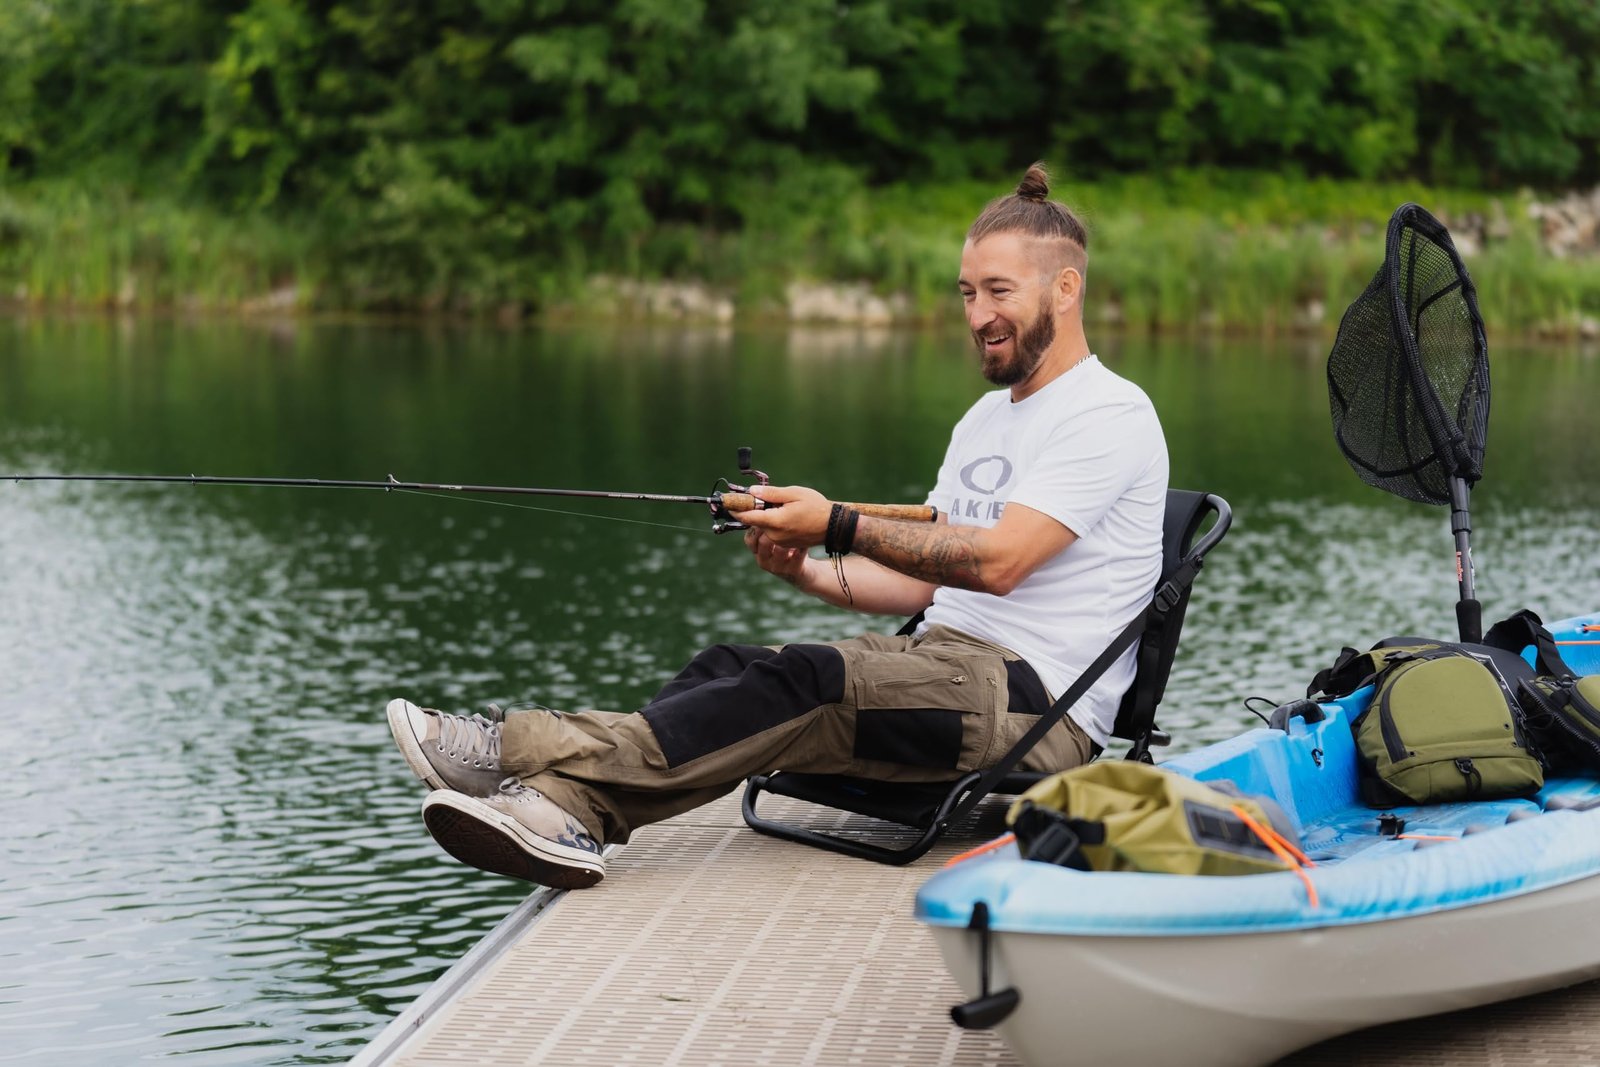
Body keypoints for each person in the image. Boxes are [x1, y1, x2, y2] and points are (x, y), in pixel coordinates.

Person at [386, 162, 1169, 889]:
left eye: (998, 291)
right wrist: (805, 565)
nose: (978, 314)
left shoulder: (1108, 413)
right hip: (947, 667)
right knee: (724, 664)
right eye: (967, 292)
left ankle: (509, 750)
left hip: (1035, 710)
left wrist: (836, 521)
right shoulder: (984, 420)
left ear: (1065, 288)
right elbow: (921, 580)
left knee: (808, 682)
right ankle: (573, 808)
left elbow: (998, 562)